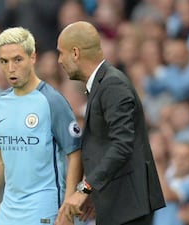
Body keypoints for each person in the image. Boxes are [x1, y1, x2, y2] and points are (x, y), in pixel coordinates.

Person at [56, 21, 165, 225]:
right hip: (119, 203)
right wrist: (97, 194)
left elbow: (122, 144)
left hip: (129, 207)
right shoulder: (102, 84)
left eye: (61, 53)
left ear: (76, 53)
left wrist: (85, 188)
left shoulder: (112, 84)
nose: (60, 60)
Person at [0, 27, 83, 225]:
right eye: (4, 61)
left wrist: (67, 206)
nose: (11, 68)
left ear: (33, 57)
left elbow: (75, 154)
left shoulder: (52, 101)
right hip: (8, 209)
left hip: (44, 207)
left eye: (17, 59)